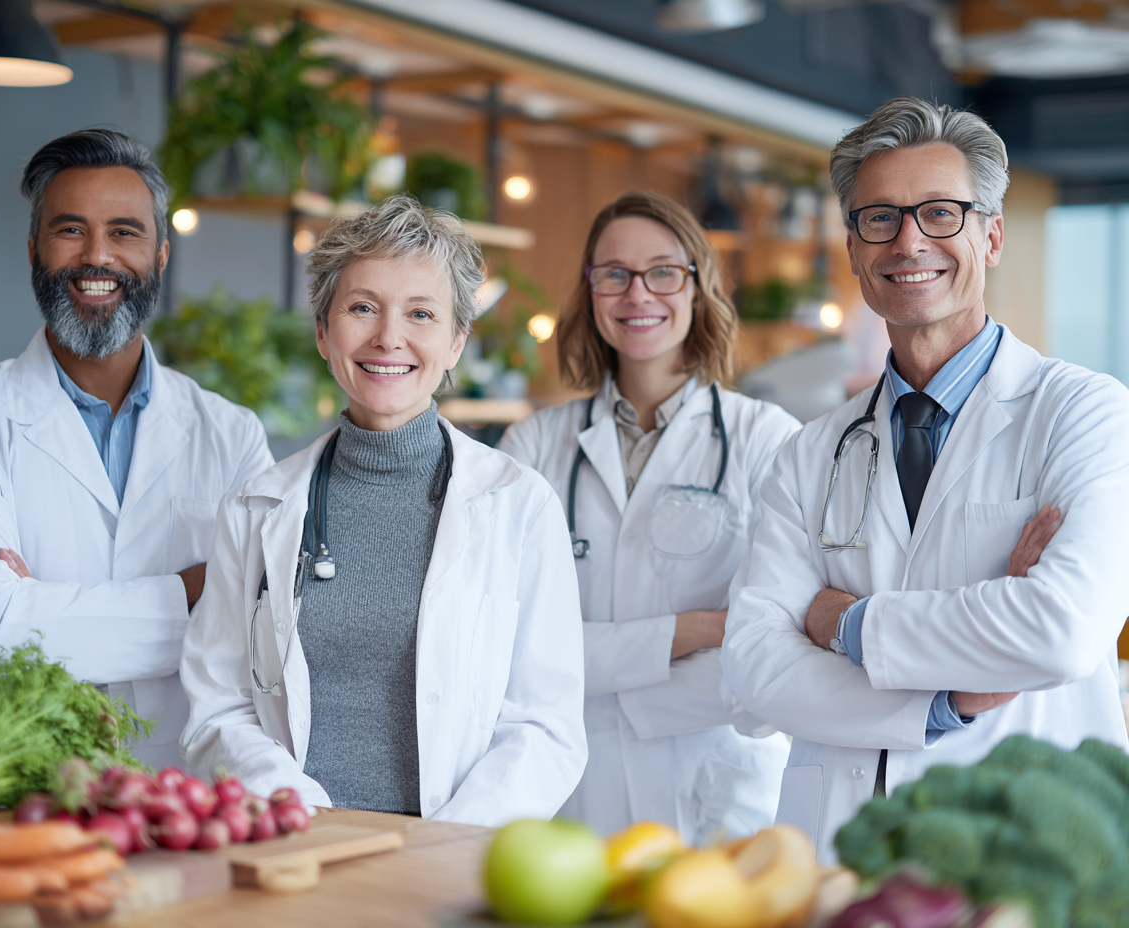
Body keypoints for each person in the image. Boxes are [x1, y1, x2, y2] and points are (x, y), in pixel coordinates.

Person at [721, 97, 1129, 861]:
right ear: (853, 248)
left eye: (940, 213)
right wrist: (946, 701)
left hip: (1018, 839)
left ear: (992, 235)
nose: (909, 241)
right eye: (879, 218)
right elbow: (754, 667)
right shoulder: (808, 453)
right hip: (837, 846)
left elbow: (1061, 630)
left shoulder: (1084, 412)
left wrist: (846, 625)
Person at [179, 195, 586, 824]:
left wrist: (443, 849)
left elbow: (545, 725)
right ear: (323, 331)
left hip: (452, 861)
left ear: (456, 342)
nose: (388, 337)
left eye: (421, 313)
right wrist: (305, 817)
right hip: (297, 850)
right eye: (362, 307)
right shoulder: (257, 508)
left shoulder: (518, 505)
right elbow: (218, 707)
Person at [0, 129, 274, 768]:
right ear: (33, 250)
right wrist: (196, 588)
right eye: (70, 230)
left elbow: (264, 630)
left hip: (195, 785)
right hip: (33, 782)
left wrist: (42, 612)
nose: (96, 256)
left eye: (125, 232)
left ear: (160, 254)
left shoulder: (232, 434)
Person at [498, 191, 799, 844]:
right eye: (614, 275)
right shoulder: (532, 448)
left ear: (697, 286)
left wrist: (598, 668)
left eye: (663, 272)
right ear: (590, 291)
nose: (638, 295)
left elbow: (771, 650)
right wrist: (690, 631)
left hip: (718, 789)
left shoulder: (767, 440)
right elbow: (508, 647)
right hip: (572, 789)